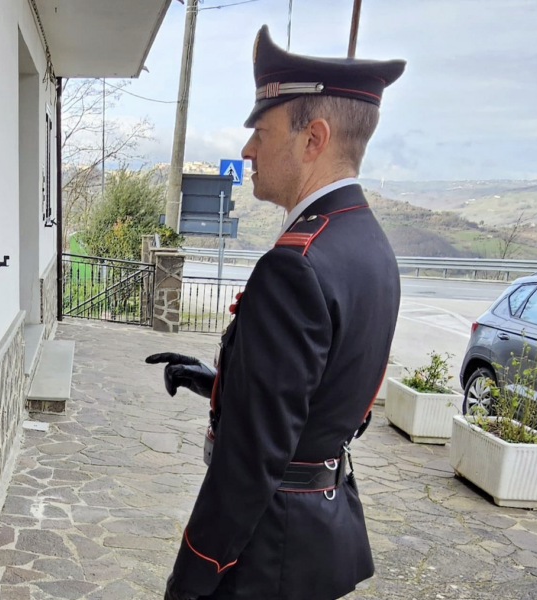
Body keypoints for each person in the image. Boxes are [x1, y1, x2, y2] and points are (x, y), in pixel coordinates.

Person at [147, 26, 406, 600]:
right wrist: (225, 382)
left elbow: (250, 462)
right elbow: (332, 398)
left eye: (260, 132)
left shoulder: (297, 265)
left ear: (313, 138)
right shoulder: (371, 246)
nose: (247, 150)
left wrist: (191, 578)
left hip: (268, 555)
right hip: (318, 534)